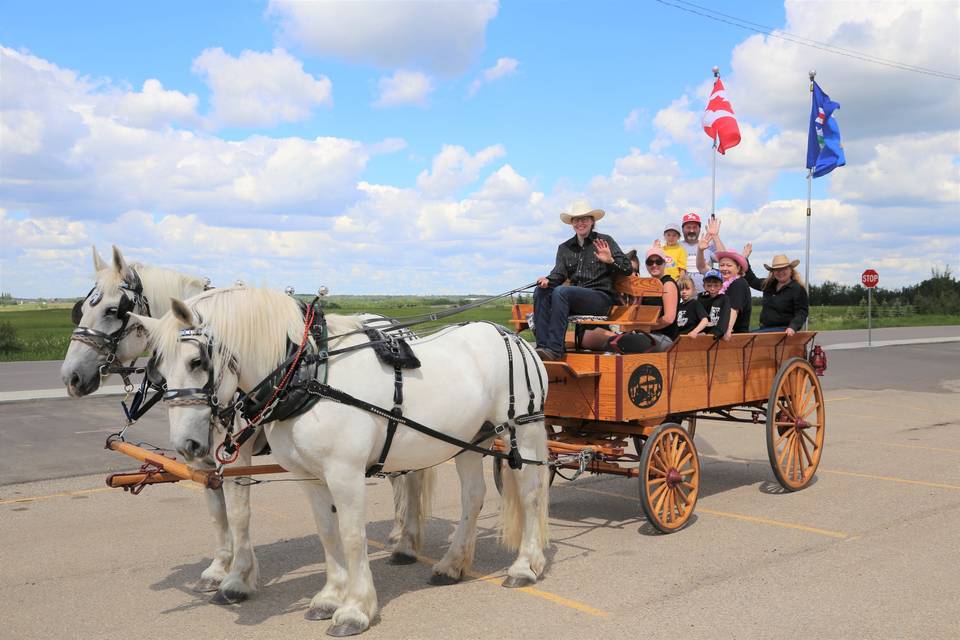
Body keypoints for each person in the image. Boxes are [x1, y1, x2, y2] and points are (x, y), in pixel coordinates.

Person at [533, 202, 632, 360]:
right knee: (541, 291)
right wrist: (547, 280)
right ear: (572, 224)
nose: (580, 223)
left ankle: (554, 350)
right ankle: (542, 347)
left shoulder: (605, 241)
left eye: (584, 219)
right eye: (576, 220)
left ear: (592, 221)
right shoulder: (564, 248)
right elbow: (558, 274)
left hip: (600, 299)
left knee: (562, 291)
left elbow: (627, 268)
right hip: (573, 299)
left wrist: (610, 260)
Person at [580, 245, 679, 354]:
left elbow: (669, 318)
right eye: (650, 262)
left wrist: (642, 328)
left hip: (662, 337)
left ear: (664, 263)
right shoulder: (648, 288)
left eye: (658, 261)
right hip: (645, 335)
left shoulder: (667, 283)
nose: (654, 265)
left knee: (621, 341)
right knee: (609, 339)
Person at [741, 248, 809, 335]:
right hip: (765, 328)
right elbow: (752, 280)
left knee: (749, 337)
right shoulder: (768, 285)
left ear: (790, 270)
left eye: (784, 269)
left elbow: (802, 312)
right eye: (777, 269)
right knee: (744, 337)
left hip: (784, 331)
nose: (780, 272)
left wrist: (793, 327)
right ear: (773, 272)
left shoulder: (797, 289)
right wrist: (745, 259)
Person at [711, 245, 753, 338]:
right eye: (721, 265)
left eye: (729, 265)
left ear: (738, 268)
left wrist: (727, 330)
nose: (724, 268)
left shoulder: (738, 284)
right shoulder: (722, 284)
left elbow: (733, 309)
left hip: (735, 335)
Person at [682, 212, 725, 293]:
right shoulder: (676, 247)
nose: (691, 230)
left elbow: (725, 259)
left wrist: (715, 236)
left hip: (706, 295)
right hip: (683, 295)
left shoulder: (707, 244)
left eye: (695, 227)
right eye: (688, 227)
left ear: (699, 229)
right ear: (683, 229)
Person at [675, 274, 710, 338]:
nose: (684, 292)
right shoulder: (677, 306)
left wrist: (695, 331)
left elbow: (705, 320)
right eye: (681, 289)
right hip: (678, 338)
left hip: (690, 338)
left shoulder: (695, 304)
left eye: (687, 289)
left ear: (693, 290)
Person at [698, 269, 730, 338]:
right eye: (709, 285)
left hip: (716, 334)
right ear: (704, 286)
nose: (712, 288)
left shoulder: (724, 299)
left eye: (716, 285)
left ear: (721, 286)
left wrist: (716, 333)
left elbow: (725, 318)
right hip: (700, 332)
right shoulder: (700, 298)